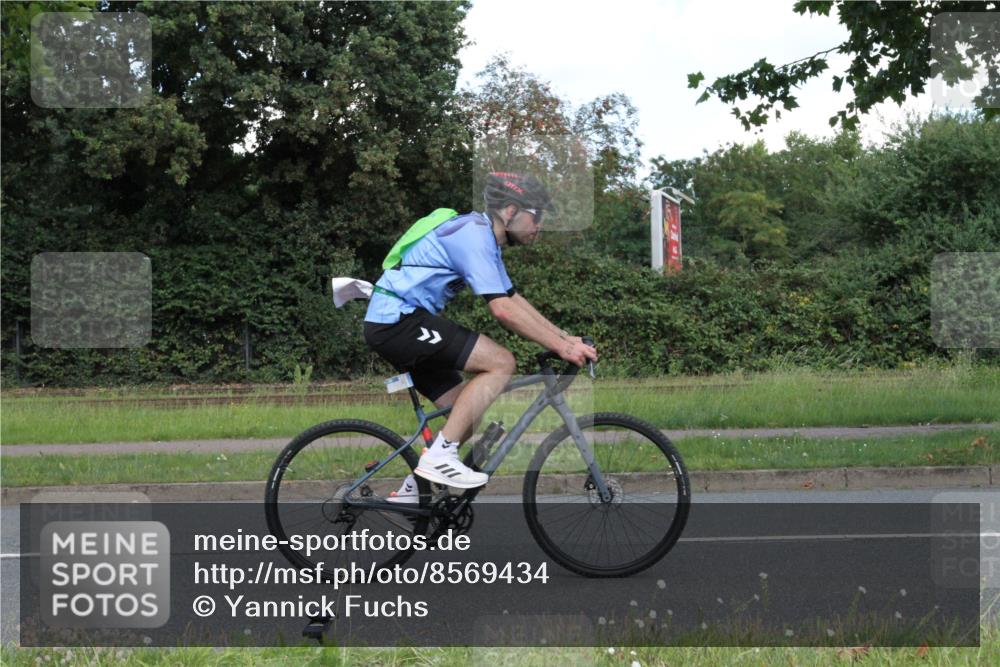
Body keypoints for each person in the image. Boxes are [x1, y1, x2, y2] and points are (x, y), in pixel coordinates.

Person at [363, 172, 598, 498]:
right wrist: (560, 346)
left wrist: (565, 338)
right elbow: (502, 310)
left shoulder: (485, 239)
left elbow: (513, 298)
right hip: (397, 321)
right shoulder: (472, 235)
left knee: (464, 413)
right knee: (501, 362)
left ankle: (412, 492)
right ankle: (440, 457)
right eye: (536, 216)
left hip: (402, 323)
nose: (539, 226)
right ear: (511, 211)